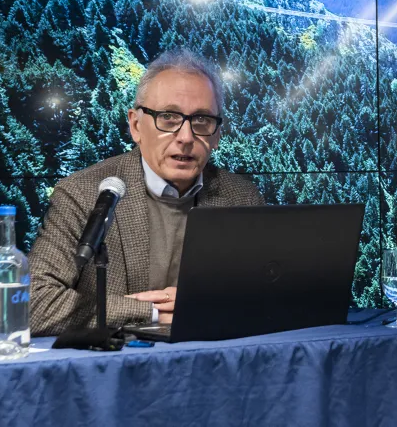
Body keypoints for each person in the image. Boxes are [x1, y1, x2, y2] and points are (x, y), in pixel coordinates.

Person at [29, 49, 264, 336]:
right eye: (168, 117)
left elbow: (264, 297)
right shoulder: (83, 194)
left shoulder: (242, 198)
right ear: (136, 126)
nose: (187, 137)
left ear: (216, 135)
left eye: (202, 121)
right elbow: (34, 305)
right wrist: (149, 312)